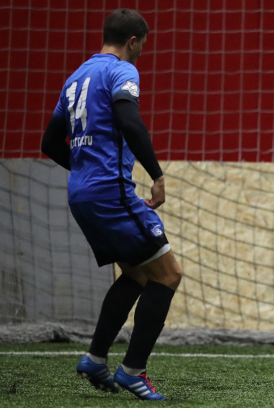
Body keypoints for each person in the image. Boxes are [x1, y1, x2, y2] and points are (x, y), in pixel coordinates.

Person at [41, 9, 181, 401]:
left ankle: (95, 358)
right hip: (110, 192)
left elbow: (49, 143)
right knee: (168, 275)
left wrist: (83, 170)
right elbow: (129, 119)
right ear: (133, 41)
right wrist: (156, 174)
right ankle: (133, 370)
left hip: (81, 195)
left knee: (137, 274)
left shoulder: (75, 78)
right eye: (142, 46)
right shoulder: (121, 71)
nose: (141, 53)